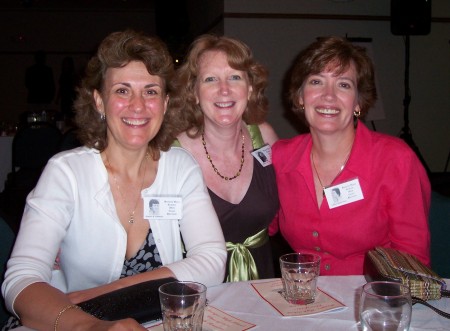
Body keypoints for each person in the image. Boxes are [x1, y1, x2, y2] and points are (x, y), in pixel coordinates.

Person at [1, 30, 226, 331]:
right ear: (98, 101)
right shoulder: (66, 172)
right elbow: (21, 280)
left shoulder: (180, 167)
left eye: (150, 91)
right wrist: (92, 326)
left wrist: (105, 292)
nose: (138, 105)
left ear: (165, 102)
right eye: (122, 90)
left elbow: (212, 261)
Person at [269, 36, 430, 276]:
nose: (328, 95)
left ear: (358, 102)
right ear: (301, 97)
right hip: (303, 298)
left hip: (373, 298)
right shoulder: (281, 157)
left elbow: (411, 260)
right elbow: (254, 227)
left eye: (343, 84)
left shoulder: (395, 160)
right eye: (316, 82)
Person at [169, 34, 279, 282]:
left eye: (235, 77)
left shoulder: (265, 137)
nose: (224, 89)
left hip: (262, 284)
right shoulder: (172, 154)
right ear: (194, 93)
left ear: (250, 89)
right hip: (197, 288)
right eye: (210, 79)